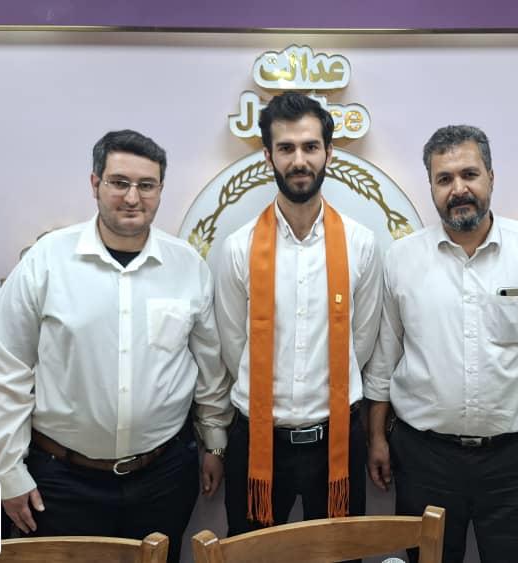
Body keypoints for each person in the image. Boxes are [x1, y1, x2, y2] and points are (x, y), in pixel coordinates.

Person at [0, 130, 231, 563]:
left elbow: (208, 364)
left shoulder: (187, 265)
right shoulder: (46, 261)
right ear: (95, 183)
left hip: (164, 475)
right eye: (119, 182)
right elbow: (5, 369)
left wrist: (215, 442)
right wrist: (8, 471)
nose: (132, 197)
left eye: (146, 185)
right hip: (62, 480)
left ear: (160, 190)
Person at [364, 125, 518, 563]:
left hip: (514, 458)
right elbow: (385, 358)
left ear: (491, 178)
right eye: (444, 179)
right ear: (431, 186)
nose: (458, 189)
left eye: (469, 174)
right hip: (424, 456)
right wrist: (376, 438)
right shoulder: (402, 259)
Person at [214, 92, 383, 534]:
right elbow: (233, 345)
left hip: (338, 439)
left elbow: (362, 340)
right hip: (257, 440)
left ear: (329, 153)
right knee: (251, 555)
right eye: (286, 148)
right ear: (268, 156)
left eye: (310, 147)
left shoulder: (361, 244)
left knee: (338, 556)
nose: (299, 160)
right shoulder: (238, 247)